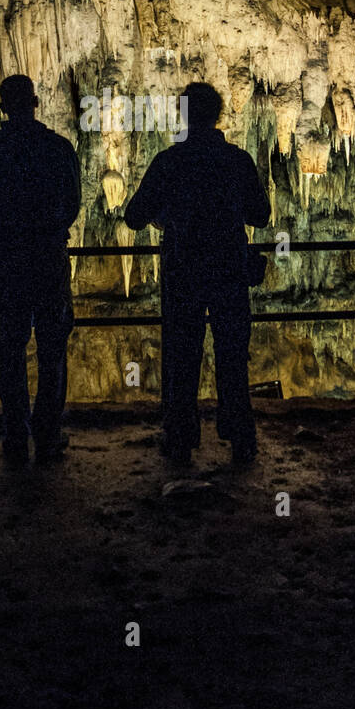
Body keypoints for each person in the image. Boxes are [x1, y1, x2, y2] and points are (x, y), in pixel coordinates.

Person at [124, 83, 270, 466]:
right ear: (218, 115)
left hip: (184, 271)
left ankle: (180, 437)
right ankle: (240, 436)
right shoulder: (236, 162)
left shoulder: (170, 162)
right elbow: (261, 214)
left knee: (182, 354)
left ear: (183, 115)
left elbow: (134, 216)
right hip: (228, 271)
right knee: (233, 356)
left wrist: (166, 215)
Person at [0, 75, 81, 464]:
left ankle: (15, 435)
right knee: (52, 348)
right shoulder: (58, 149)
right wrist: (46, 226)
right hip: (48, 256)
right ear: (35, 102)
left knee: (10, 348)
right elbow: (73, 204)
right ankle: (47, 435)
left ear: (2, 108)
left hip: (12, 257)